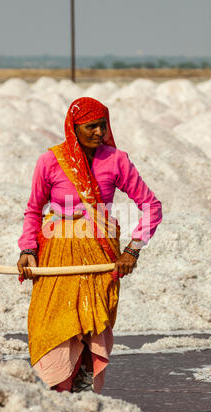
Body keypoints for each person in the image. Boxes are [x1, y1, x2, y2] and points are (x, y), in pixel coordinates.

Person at [17, 97, 162, 394]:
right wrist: (27, 249)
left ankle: (82, 403)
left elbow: (152, 206)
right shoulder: (50, 161)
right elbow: (33, 210)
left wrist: (132, 249)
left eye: (102, 125)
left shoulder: (117, 160)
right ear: (73, 128)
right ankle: (55, 396)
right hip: (56, 259)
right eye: (90, 126)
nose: (99, 132)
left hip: (99, 257)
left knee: (89, 329)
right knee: (51, 327)